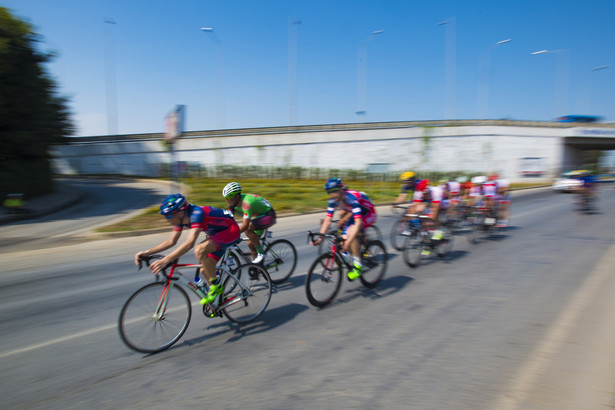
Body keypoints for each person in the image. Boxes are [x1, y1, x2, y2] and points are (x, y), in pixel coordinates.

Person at [134, 193, 240, 305]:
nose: (167, 219)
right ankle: (218, 300)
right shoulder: (180, 218)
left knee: (199, 250)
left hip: (230, 230)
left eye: (169, 216)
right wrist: (147, 253)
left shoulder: (196, 214)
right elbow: (171, 241)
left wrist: (166, 260)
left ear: (180, 212)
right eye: (165, 216)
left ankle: (216, 287)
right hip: (216, 233)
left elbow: (190, 243)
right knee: (205, 270)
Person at [311, 177, 377, 280]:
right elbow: (328, 219)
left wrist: (349, 240)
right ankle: (352, 251)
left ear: (341, 189)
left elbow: (358, 223)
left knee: (351, 234)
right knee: (343, 237)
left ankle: (358, 266)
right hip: (356, 214)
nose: (332, 194)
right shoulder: (333, 200)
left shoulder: (351, 198)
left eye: (335, 191)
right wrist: (320, 238)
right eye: (329, 192)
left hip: (368, 213)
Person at [222, 182, 277, 264]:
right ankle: (258, 267)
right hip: (259, 216)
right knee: (251, 244)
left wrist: (232, 235)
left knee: (248, 228)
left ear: (237, 197)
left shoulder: (246, 203)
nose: (227, 201)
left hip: (268, 215)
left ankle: (261, 253)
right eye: (225, 198)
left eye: (229, 198)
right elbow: (227, 221)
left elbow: (245, 225)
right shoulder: (233, 204)